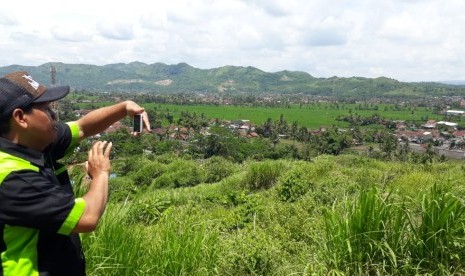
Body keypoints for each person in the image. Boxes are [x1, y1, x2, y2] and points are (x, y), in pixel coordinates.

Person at [0, 71, 151, 275]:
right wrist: (101, 174)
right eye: (45, 109)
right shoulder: (12, 177)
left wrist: (124, 107)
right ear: (20, 118)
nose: (54, 115)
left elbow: (82, 128)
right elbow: (87, 218)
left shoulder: (34, 142)